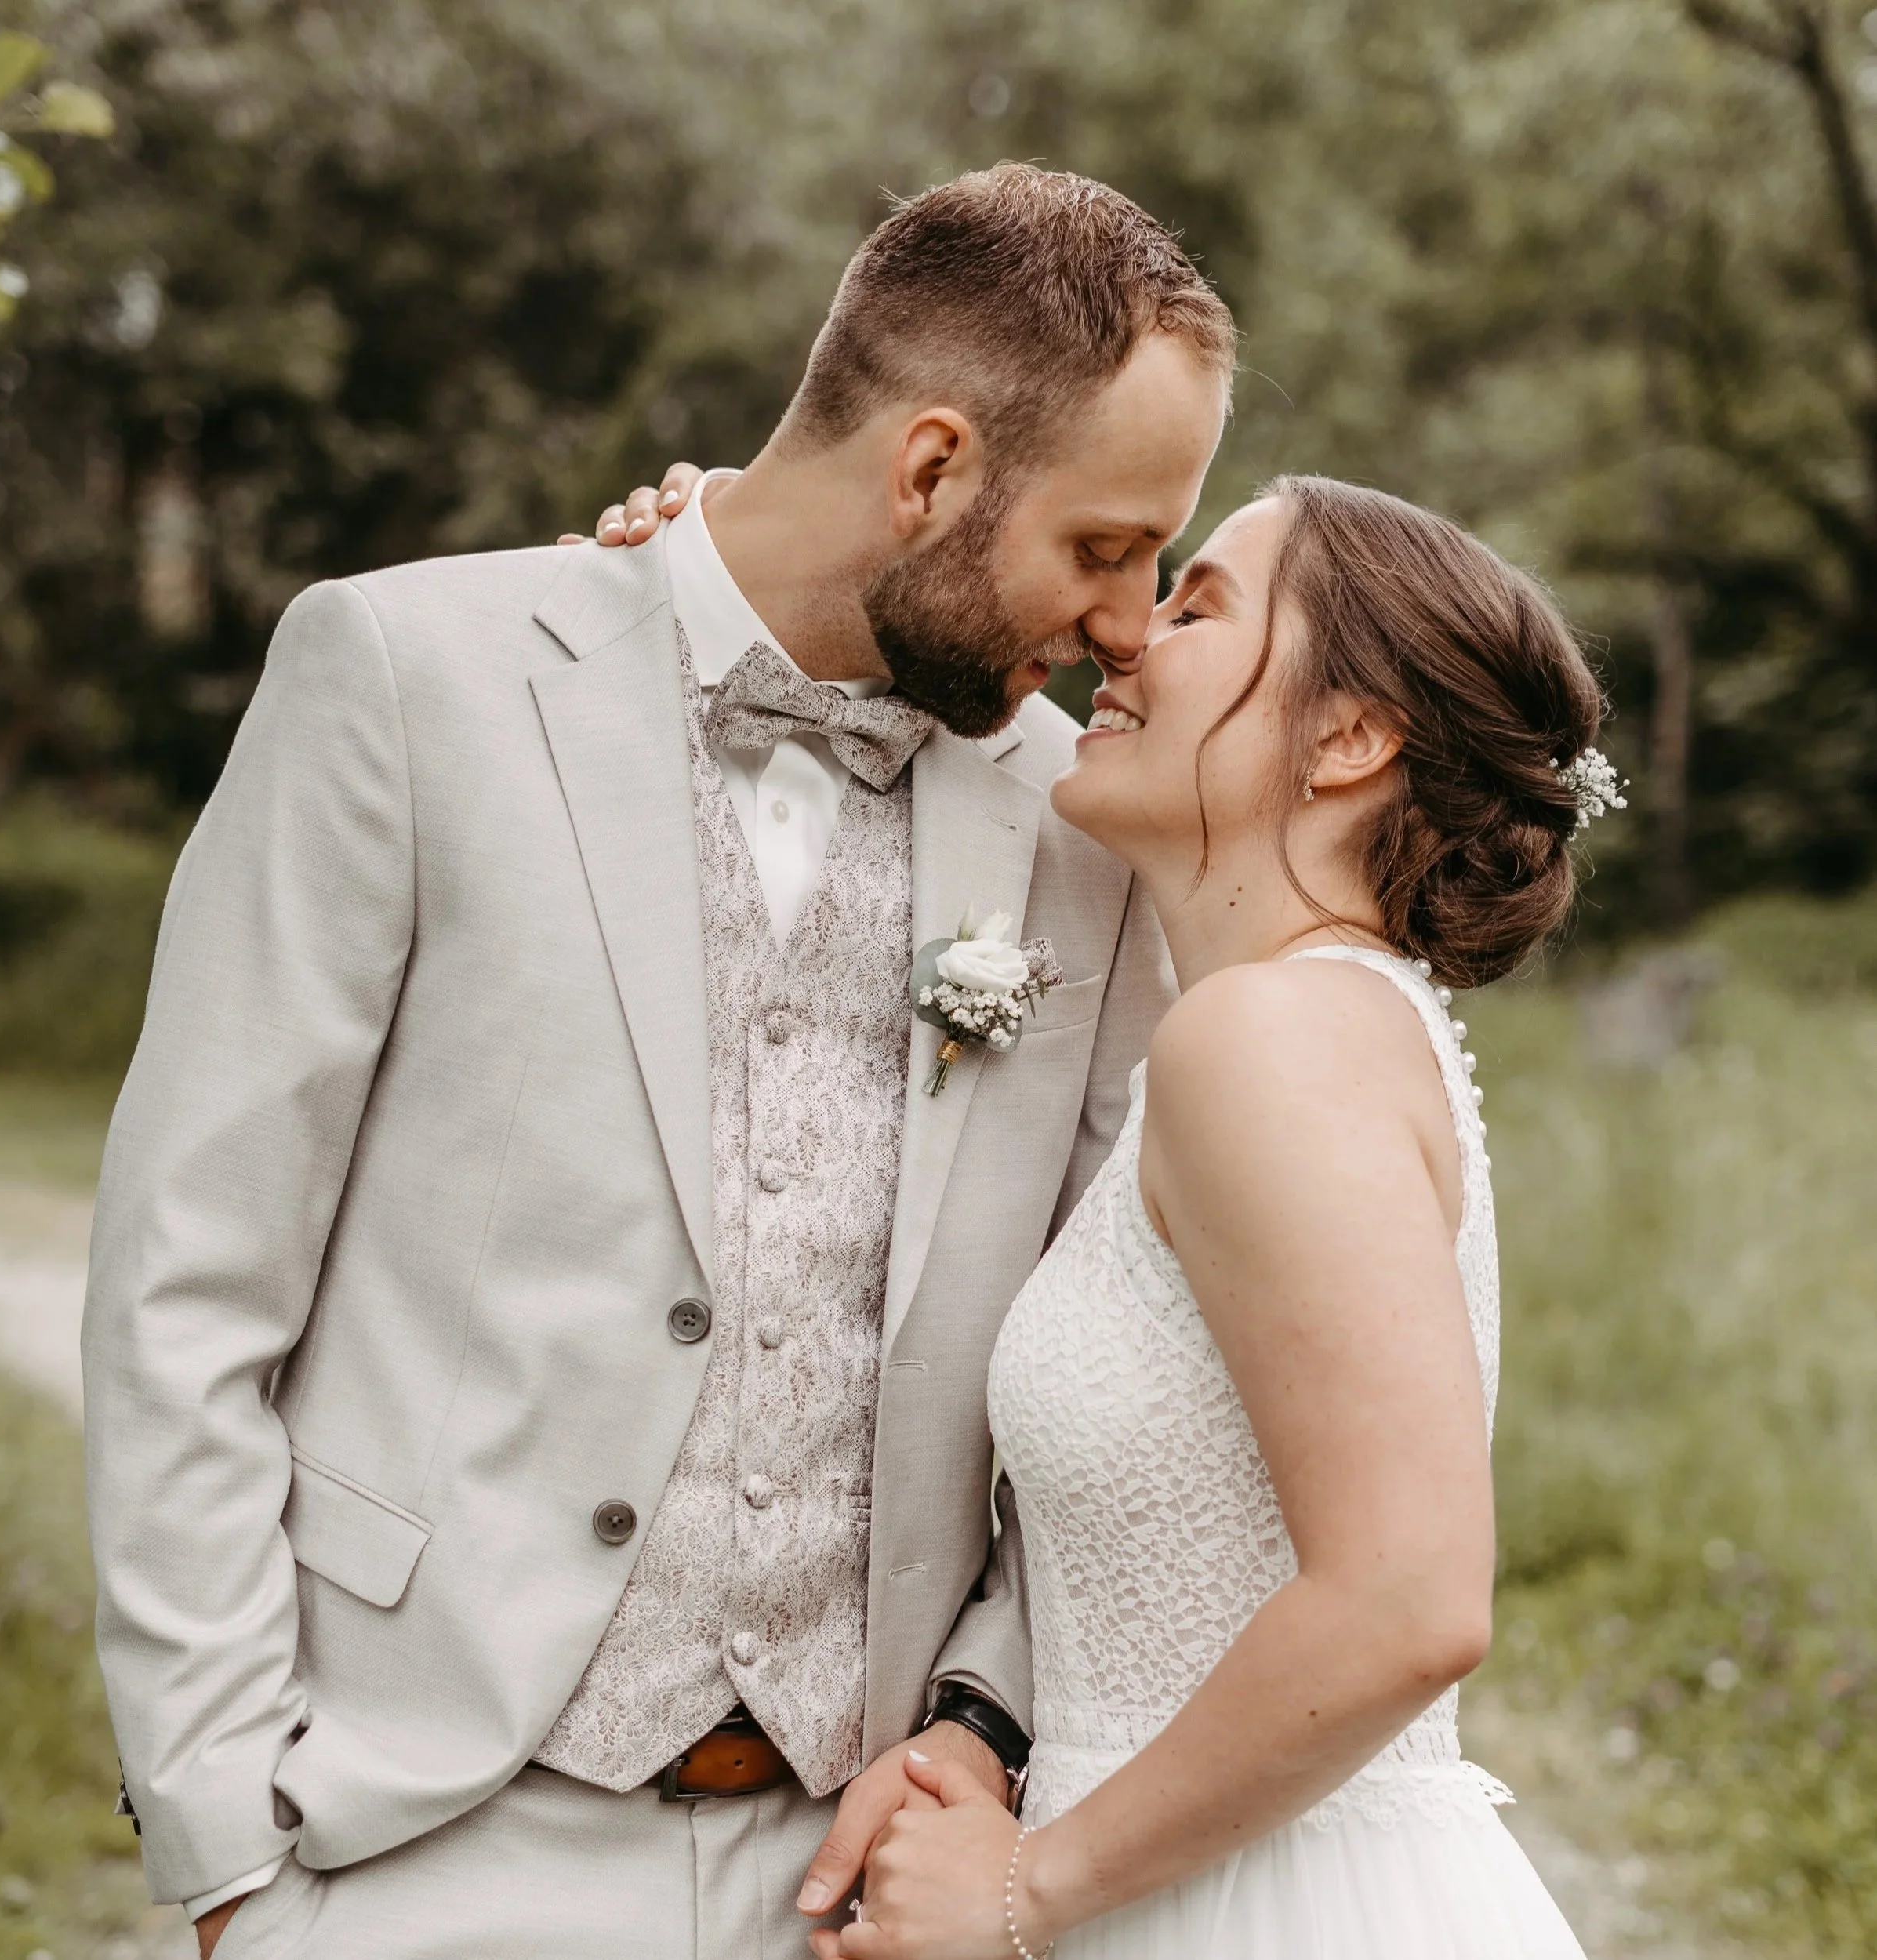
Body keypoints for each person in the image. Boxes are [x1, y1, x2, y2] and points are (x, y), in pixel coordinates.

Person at [79, 165, 1234, 1958]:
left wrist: (982, 1724)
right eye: (1102, 545)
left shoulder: (1073, 828)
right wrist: (230, 1846)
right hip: (417, 1835)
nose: (1126, 623)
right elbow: (187, 1281)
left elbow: (1107, 1349)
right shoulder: (405, 675)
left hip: (850, 1870)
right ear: (928, 469)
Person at [608, 470, 1608, 1957]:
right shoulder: (1292, 1026)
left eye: (1200, 605)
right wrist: (701, 564)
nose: (1127, 637)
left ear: (1348, 737)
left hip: (1259, 1902)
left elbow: (1407, 1600)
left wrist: (1032, 1888)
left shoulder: (1266, 1042)